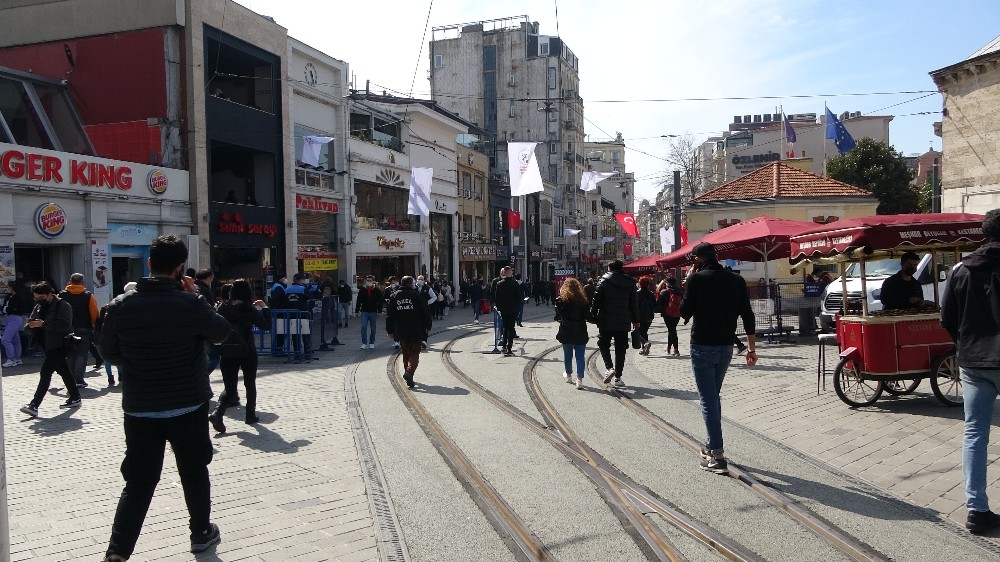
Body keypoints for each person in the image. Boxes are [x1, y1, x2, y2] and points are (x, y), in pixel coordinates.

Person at [99, 234, 230, 560]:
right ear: (181, 268)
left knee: (139, 482)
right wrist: (197, 297)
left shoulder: (119, 307)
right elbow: (221, 332)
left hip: (141, 407)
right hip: (188, 404)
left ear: (149, 264)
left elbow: (109, 353)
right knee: (194, 469)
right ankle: (200, 533)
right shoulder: (190, 304)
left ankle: (117, 553)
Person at [941, 209, 1000, 534]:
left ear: (984, 234)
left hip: (974, 362)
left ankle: (976, 509)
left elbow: (947, 318)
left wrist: (965, 345)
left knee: (975, 434)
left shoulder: (961, 270)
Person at [679, 242, 757, 475]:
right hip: (725, 347)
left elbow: (684, 312)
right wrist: (751, 349)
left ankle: (718, 456)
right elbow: (747, 314)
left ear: (698, 260)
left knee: (708, 400)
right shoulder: (736, 280)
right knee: (713, 398)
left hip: (702, 345)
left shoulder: (696, 280)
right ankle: (711, 444)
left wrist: (690, 283)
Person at [209, 279, 271, 433]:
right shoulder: (248, 308)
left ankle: (218, 413)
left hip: (227, 350)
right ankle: (250, 415)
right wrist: (265, 308)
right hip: (247, 350)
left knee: (229, 388)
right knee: (250, 383)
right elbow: (266, 325)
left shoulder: (222, 307)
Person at [18, 282, 83, 416]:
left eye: (40, 297)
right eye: (35, 298)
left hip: (61, 345)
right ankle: (75, 397)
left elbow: (64, 326)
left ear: (49, 294)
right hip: (47, 345)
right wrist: (30, 325)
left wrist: (43, 324)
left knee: (45, 372)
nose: (38, 300)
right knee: (64, 371)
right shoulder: (38, 306)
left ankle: (34, 405)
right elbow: (28, 327)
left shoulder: (62, 305)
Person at [591, 260, 639, 387]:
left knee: (603, 343)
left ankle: (609, 368)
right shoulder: (630, 283)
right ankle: (618, 377)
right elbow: (633, 304)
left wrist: (593, 315)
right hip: (623, 321)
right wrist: (636, 320)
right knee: (621, 349)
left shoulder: (603, 281)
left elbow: (596, 300)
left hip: (606, 319)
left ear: (610, 268)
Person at [386, 276, 433, 388]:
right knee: (415, 353)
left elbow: (390, 316)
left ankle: (409, 375)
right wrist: (428, 325)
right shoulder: (416, 295)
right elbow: (425, 312)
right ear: (411, 284)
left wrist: (390, 330)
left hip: (401, 330)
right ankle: (409, 372)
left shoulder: (394, 296)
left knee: (406, 353)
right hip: (416, 329)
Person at [59, 273, 99, 388]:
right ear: (83, 282)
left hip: (67, 328)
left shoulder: (61, 295)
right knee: (82, 353)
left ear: (70, 281)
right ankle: (79, 379)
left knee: (70, 353)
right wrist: (94, 324)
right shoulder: (88, 296)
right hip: (84, 327)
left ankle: (70, 378)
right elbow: (94, 313)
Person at [555, 277, 590, 389]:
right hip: (580, 330)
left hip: (566, 330)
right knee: (580, 356)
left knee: (567, 355)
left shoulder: (561, 300)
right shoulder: (583, 301)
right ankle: (579, 379)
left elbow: (558, 316)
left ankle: (568, 375)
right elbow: (588, 317)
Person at [493, 267, 522, 357]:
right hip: (513, 309)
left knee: (505, 328)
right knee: (511, 328)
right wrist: (517, 307)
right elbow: (518, 297)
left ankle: (504, 347)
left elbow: (497, 298)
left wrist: (499, 307)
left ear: (504, 273)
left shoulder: (499, 284)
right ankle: (509, 348)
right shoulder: (515, 284)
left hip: (503, 309)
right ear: (511, 273)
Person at [2, 280, 31, 367]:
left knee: (5, 339)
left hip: (14, 318)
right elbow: (7, 308)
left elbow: (10, 308)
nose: (8, 288)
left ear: (13, 288)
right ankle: (17, 358)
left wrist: (6, 309)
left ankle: (11, 358)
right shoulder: (9, 296)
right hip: (9, 318)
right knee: (15, 339)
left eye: (9, 287)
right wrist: (6, 309)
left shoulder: (18, 297)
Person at [657, 277, 683, 356]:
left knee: (672, 331)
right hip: (677, 313)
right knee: (672, 330)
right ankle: (669, 348)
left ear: (667, 283)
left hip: (667, 314)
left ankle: (675, 350)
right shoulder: (680, 291)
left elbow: (658, 303)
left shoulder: (665, 292)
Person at [355, 274, 383, 349]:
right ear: (365, 281)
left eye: (370, 280)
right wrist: (357, 310)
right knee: (363, 327)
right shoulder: (362, 290)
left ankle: (371, 342)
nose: (369, 282)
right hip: (364, 311)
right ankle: (364, 343)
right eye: (368, 280)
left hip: (373, 311)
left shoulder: (377, 290)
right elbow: (359, 300)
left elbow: (380, 301)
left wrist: (379, 311)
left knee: (373, 328)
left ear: (373, 281)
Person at [636, 276, 657, 355]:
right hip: (649, 316)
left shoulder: (637, 293)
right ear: (648, 284)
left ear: (640, 284)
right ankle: (644, 347)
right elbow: (655, 305)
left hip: (639, 316)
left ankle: (644, 345)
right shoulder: (651, 294)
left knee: (639, 332)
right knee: (644, 331)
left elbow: (634, 305)